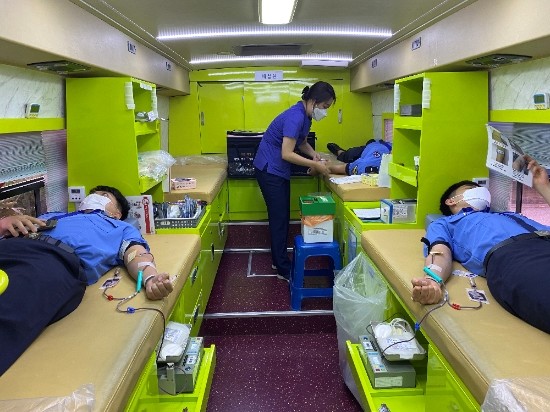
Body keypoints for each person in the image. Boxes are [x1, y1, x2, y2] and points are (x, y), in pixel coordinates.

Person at [0, 185, 174, 375]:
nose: (94, 197)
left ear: (117, 213)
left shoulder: (121, 227)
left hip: (53, 259)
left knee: (10, 304)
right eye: (93, 194)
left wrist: (150, 278)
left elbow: (136, 255)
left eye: (104, 195)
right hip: (10, 246)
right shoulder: (53, 215)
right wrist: (4, 223)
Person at [411, 158, 550, 333]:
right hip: (516, 255)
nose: (481, 192)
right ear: (451, 201)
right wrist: (433, 280)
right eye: (471, 189)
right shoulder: (447, 223)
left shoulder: (508, 215)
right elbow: (439, 251)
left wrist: (544, 187)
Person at [254, 81, 335, 281]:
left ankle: (278, 260)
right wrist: (315, 165)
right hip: (269, 169)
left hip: (277, 170)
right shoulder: (295, 117)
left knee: (281, 215)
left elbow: (301, 142)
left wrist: (314, 154)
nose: (325, 112)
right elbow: (287, 153)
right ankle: (282, 267)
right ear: (313, 101)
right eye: (324, 107)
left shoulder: (306, 117)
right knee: (279, 217)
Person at [324, 139, 392, 176]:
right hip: (375, 146)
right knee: (347, 156)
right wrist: (326, 166)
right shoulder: (370, 164)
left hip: (376, 146)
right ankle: (340, 152)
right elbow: (338, 168)